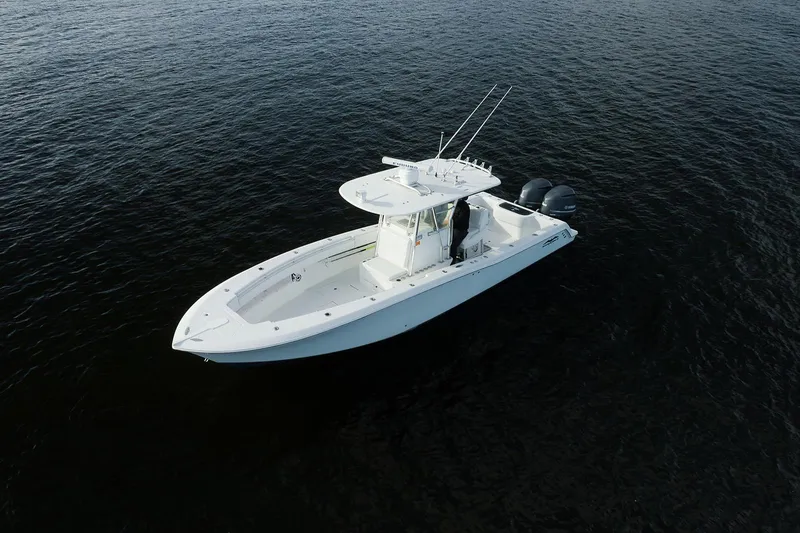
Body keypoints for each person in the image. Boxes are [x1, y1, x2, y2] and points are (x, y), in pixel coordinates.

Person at [449, 198, 470, 263]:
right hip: (451, 227)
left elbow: (460, 221)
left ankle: (453, 261)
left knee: (452, 243)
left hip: (461, 229)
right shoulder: (452, 204)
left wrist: (449, 222)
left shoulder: (463, 207)